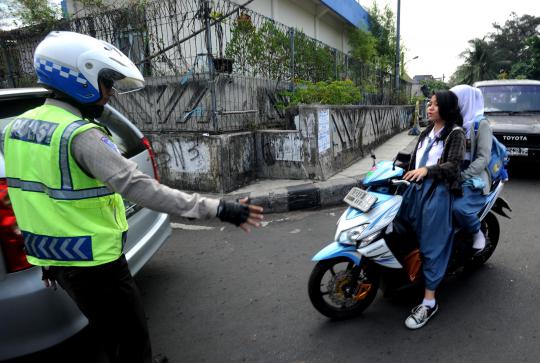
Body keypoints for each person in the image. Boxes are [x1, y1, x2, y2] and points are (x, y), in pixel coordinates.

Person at [2, 31, 263, 363]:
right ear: (78, 77)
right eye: (106, 82)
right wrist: (218, 208)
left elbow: (28, 196)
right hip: (95, 264)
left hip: (57, 261)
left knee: (109, 331)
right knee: (132, 340)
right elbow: (140, 187)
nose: (110, 93)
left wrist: (46, 260)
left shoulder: (16, 129)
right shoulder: (79, 135)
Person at [397, 90, 465, 330]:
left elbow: (453, 166)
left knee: (431, 246)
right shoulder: (427, 131)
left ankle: (429, 302)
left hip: (437, 192)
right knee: (398, 230)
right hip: (414, 190)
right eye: (429, 103)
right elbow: (414, 160)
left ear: (446, 108)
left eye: (435, 105)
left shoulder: (455, 133)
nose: (430, 107)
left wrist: (428, 170)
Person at [450, 85, 492, 253]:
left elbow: (483, 158)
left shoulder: (481, 124)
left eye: (455, 100)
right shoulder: (455, 122)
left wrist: (463, 175)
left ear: (465, 101)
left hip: (474, 177)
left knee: (458, 208)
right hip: (453, 171)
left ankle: (477, 233)